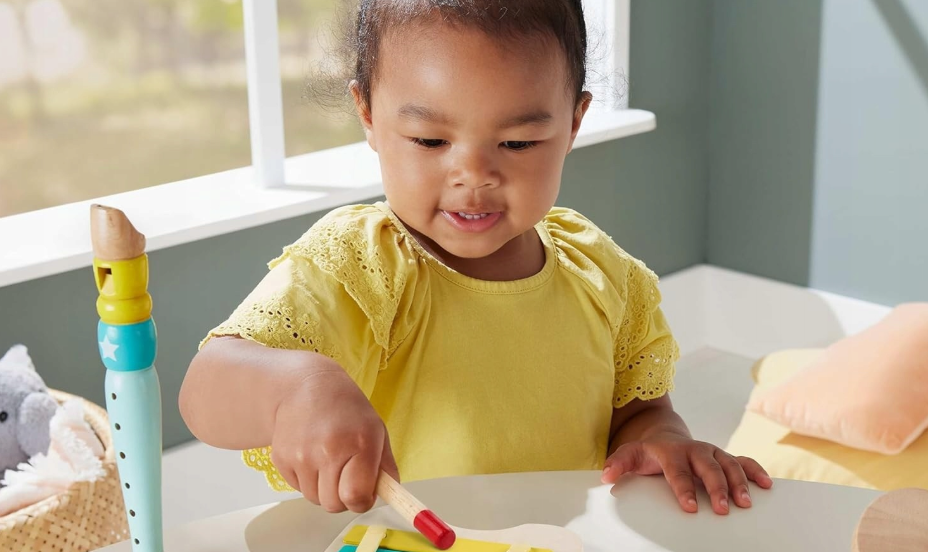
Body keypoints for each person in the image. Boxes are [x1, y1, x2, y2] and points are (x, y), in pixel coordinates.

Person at [179, 0, 771, 517]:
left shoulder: (600, 272)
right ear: (368, 115)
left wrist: (664, 439)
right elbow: (206, 387)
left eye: (517, 143)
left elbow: (638, 414)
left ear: (573, 123)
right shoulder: (362, 264)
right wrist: (298, 388)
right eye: (430, 141)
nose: (474, 175)